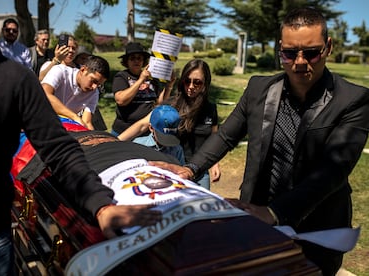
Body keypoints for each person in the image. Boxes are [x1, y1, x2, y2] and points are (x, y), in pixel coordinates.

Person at [150, 8, 369, 275]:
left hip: (318, 227)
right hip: (257, 216)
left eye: (311, 52)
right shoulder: (258, 89)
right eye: (289, 53)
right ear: (280, 49)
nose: (300, 62)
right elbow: (227, 135)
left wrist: (275, 212)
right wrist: (191, 168)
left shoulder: (353, 100)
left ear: (328, 47)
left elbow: (333, 170)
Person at [0, 1, 161, 275]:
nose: (95, 85)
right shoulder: (53, 73)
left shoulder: (11, 78)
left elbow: (58, 148)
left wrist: (100, 204)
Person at [119, 59, 221, 190]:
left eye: (197, 82)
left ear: (205, 84)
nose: (191, 86)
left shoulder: (210, 109)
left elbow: (214, 138)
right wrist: (114, 142)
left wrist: (215, 164)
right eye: (187, 81)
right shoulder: (171, 105)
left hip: (199, 170)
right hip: (173, 169)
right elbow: (142, 125)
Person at [111, 42, 175, 136]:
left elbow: (159, 103)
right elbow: (121, 100)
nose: (136, 61)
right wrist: (141, 80)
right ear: (126, 61)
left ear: (143, 61)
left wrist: (169, 86)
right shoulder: (122, 77)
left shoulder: (152, 78)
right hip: (124, 130)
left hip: (146, 130)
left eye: (139, 58)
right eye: (132, 58)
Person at [41, 55, 109, 130]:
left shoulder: (94, 93)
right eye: (94, 81)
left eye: (99, 84)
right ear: (83, 70)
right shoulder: (60, 71)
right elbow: (45, 94)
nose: (94, 87)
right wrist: (74, 117)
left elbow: (86, 122)